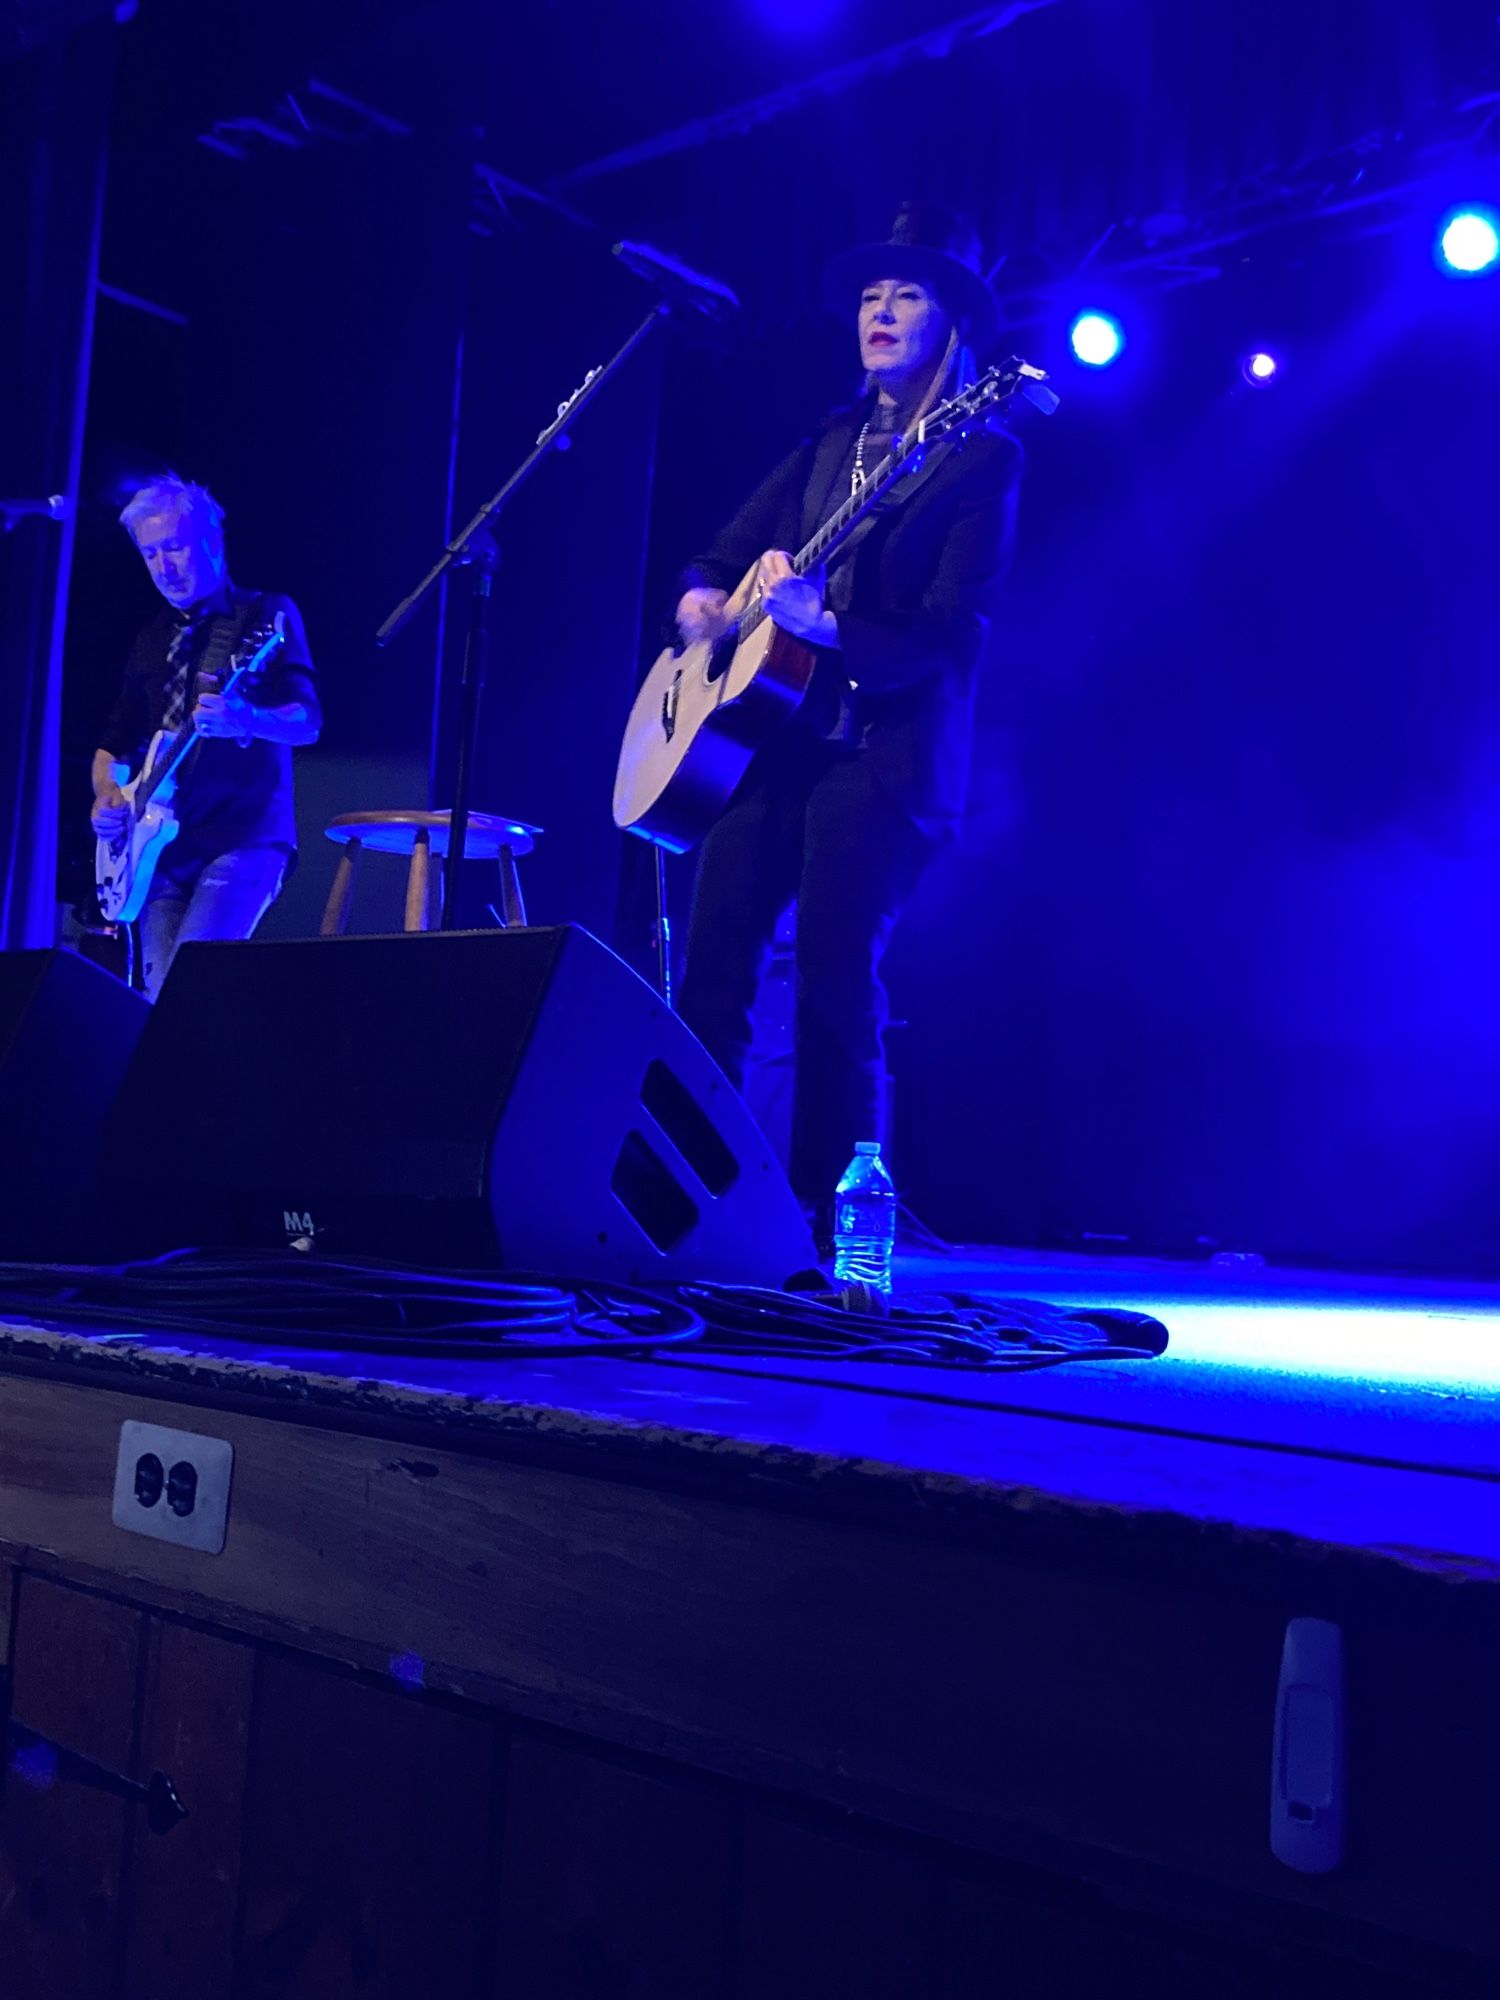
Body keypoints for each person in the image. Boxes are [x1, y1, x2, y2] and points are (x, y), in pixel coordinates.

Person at [672, 202, 1023, 1240]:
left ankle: (827, 1240)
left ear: (953, 319)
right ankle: (690, 1205)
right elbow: (716, 558)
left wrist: (822, 620)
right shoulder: (827, 442)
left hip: (881, 752)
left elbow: (954, 632)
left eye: (906, 292)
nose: (879, 309)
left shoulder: (980, 455)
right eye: (870, 294)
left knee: (833, 980)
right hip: (771, 743)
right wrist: (706, 607)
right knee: (712, 967)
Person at [90, 476, 321, 1000]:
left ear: (213, 542)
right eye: (150, 555)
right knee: (154, 1007)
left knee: (191, 989)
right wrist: (107, 792)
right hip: (159, 852)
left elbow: (307, 721)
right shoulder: (150, 638)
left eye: (174, 547)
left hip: (243, 840)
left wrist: (247, 719)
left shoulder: (265, 614)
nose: (164, 567)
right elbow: (116, 738)